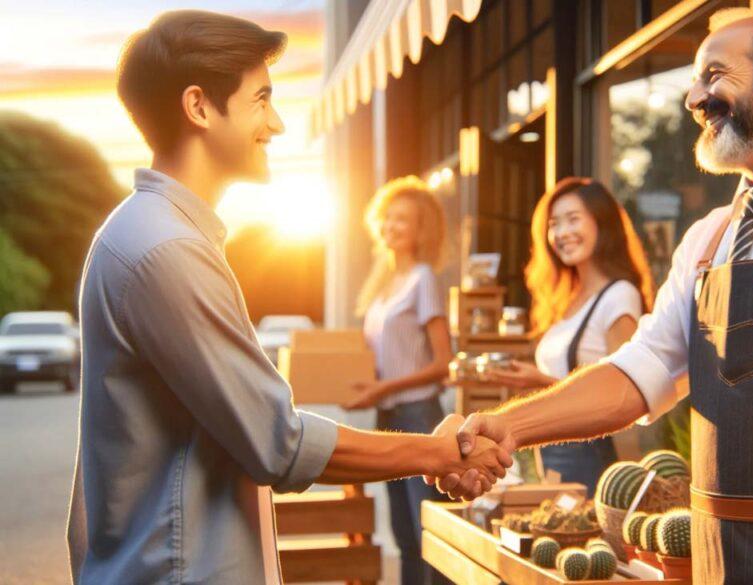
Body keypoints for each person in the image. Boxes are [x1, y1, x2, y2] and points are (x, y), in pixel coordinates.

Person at [433, 8, 753, 585]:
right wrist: (510, 426)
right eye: (694, 79)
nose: (693, 97)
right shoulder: (708, 237)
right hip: (710, 563)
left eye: (713, 74)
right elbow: (642, 368)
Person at [67, 12, 510, 584]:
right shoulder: (165, 248)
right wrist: (441, 452)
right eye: (261, 100)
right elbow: (278, 442)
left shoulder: (155, 234)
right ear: (199, 107)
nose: (275, 124)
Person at [484, 177, 653, 495]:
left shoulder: (619, 296)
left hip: (591, 458)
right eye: (554, 224)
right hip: (553, 452)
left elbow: (623, 393)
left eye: (573, 219)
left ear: (601, 223)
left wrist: (541, 382)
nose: (562, 233)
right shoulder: (567, 299)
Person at [346, 176, 453, 585]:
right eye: (388, 217)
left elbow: (443, 362)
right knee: (403, 534)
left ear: (420, 229)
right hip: (387, 414)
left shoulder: (423, 278)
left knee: (429, 532)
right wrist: (360, 384)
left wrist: (383, 388)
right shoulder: (382, 284)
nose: (392, 226)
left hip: (418, 415)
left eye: (403, 220)